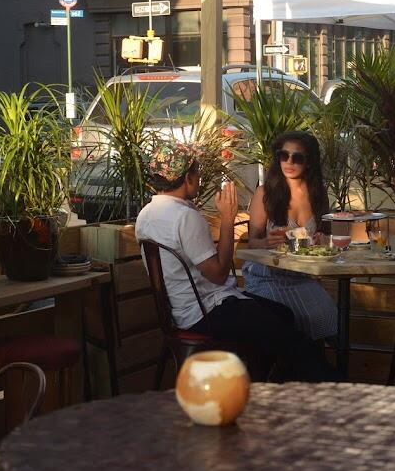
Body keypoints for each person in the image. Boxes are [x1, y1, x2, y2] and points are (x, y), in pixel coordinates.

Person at [134, 141, 336, 382]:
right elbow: (219, 274)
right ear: (187, 178)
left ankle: (260, 382)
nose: (199, 178)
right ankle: (330, 389)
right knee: (297, 342)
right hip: (206, 313)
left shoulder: (145, 214)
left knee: (283, 314)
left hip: (182, 310)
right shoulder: (184, 217)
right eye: (197, 172)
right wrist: (228, 219)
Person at [242, 131, 338, 341]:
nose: (289, 162)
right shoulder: (265, 193)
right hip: (267, 275)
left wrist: (322, 240)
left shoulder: (318, 194)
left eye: (298, 157)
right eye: (284, 155)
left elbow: (324, 237)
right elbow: (252, 242)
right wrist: (266, 242)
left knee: (328, 316)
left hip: (301, 276)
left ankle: (313, 360)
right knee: (289, 320)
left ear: (309, 162)